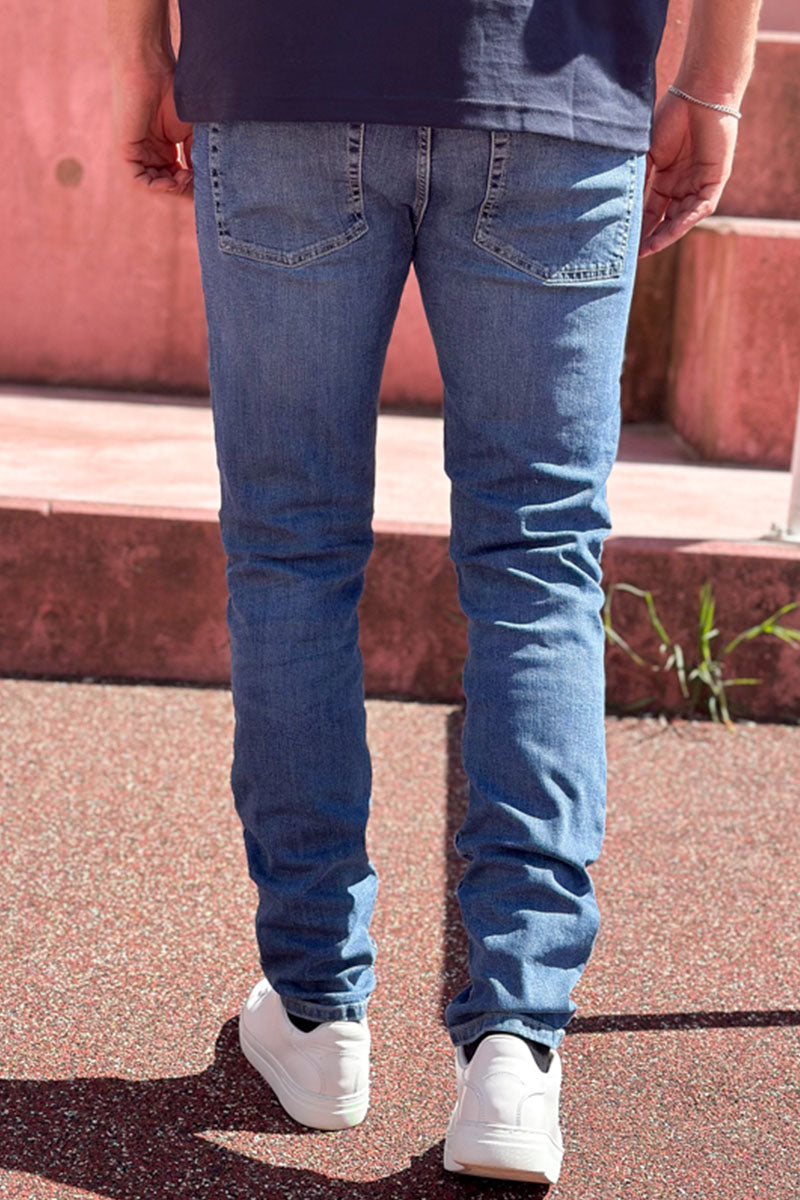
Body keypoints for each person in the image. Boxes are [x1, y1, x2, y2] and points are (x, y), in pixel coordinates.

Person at [108, 0, 762, 1184]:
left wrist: (146, 55)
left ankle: (316, 1014)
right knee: (537, 559)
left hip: (284, 68)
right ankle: (514, 1046)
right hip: (555, 85)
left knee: (290, 547)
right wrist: (714, 84)